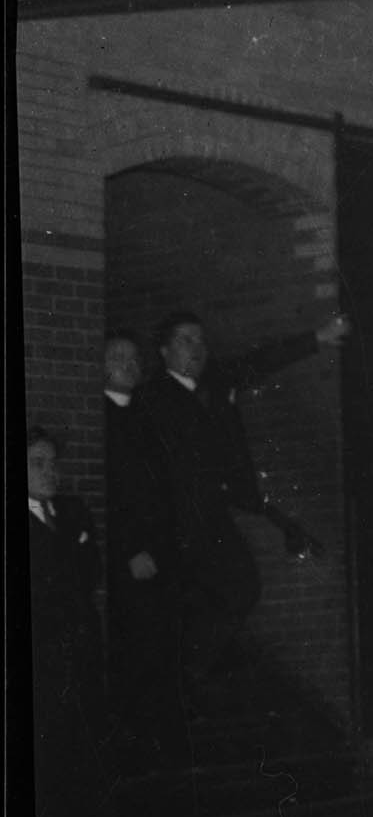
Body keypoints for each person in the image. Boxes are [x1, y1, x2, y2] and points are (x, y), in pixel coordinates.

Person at [140, 308, 339, 700]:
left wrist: (318, 338)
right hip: (179, 516)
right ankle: (183, 673)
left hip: (217, 509)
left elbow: (260, 360)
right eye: (185, 340)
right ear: (164, 351)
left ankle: (190, 669)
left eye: (200, 340)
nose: (196, 348)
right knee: (217, 587)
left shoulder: (215, 380)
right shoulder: (152, 398)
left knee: (241, 586)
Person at [27, 429, 129, 817]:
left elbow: (90, 574)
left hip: (83, 660)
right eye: (38, 463)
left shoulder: (72, 511)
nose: (51, 472)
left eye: (53, 463)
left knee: (91, 760)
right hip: (43, 665)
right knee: (48, 766)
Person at [98, 330, 182, 771]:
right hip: (128, 557)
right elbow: (111, 493)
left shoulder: (147, 416)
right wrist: (130, 550)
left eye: (134, 358)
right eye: (118, 356)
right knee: (136, 647)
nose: (129, 364)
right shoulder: (101, 418)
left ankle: (158, 743)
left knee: (161, 646)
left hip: (159, 551)